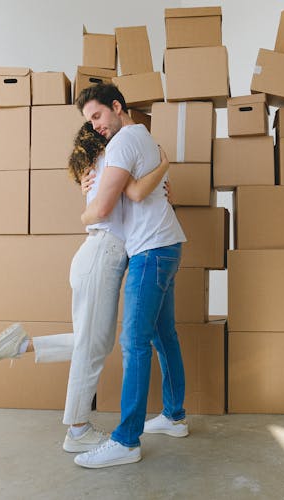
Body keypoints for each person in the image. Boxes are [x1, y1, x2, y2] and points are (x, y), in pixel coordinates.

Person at [0, 120, 169, 454]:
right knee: (93, 348)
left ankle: (22, 345)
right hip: (101, 255)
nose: (111, 131)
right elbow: (127, 197)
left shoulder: (99, 168)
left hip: (100, 255)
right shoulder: (109, 163)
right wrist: (163, 166)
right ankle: (77, 429)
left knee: (97, 343)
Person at [71, 83, 188, 469]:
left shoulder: (123, 142)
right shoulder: (143, 138)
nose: (95, 126)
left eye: (98, 116)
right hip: (166, 244)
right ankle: (173, 416)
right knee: (162, 334)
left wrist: (84, 215)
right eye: (90, 121)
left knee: (133, 341)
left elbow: (106, 206)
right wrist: (165, 167)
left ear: (117, 107)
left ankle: (125, 440)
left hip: (150, 250)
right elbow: (138, 192)